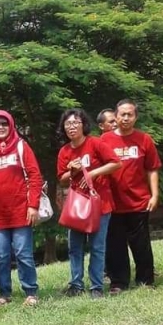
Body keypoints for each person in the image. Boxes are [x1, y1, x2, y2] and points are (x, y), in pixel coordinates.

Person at [0, 110, 44, 307]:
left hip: (22, 211)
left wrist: (33, 205)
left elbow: (35, 177)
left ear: (11, 125)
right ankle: (4, 293)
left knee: (23, 253)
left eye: (4, 123)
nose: (0, 127)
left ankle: (31, 292)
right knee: (0, 256)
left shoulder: (21, 147)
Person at [57, 108, 121, 299]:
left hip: (99, 204)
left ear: (83, 124)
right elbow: (61, 179)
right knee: (75, 247)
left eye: (75, 122)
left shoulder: (95, 143)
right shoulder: (65, 151)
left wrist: (92, 173)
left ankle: (96, 287)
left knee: (97, 247)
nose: (72, 127)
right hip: (76, 206)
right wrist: (72, 171)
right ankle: (76, 284)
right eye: (68, 124)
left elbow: (116, 163)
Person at [101, 99, 161, 294]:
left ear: (135, 117)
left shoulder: (144, 140)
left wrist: (154, 195)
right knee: (115, 245)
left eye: (130, 114)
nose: (125, 118)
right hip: (112, 202)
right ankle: (118, 282)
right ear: (115, 116)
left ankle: (146, 280)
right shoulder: (104, 141)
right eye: (122, 114)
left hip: (139, 201)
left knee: (141, 244)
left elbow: (152, 169)